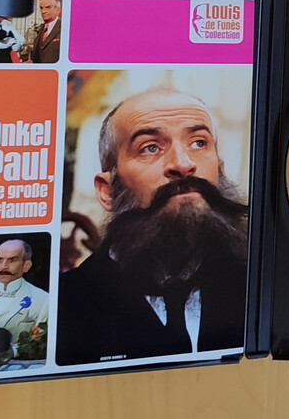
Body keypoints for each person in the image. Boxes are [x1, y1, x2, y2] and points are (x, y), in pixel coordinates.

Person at [56, 89, 247, 365]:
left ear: (221, 170)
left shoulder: (260, 287)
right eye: (150, 147)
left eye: (198, 143)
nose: (183, 164)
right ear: (107, 191)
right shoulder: (63, 306)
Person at [0, 239, 49, 344]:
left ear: (26, 266)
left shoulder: (43, 299)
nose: (4, 266)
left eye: (12, 260)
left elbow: (38, 344)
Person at [29, 0, 62, 64]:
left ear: (58, 10)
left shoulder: (65, 28)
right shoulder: (41, 28)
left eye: (48, 7)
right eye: (41, 8)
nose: (43, 11)